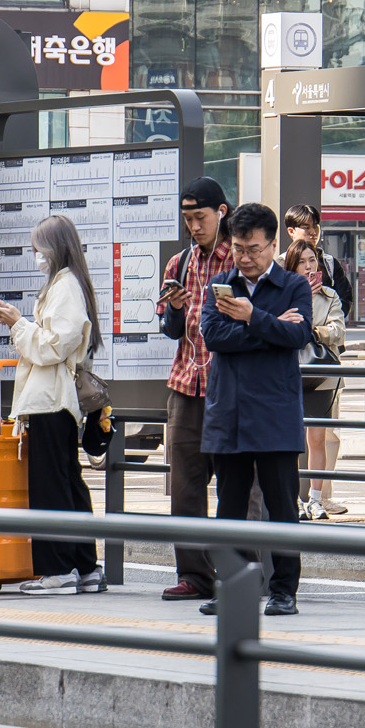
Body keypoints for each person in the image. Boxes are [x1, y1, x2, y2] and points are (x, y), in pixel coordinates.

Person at [0, 215, 105, 595]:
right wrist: (17, 321)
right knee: (67, 481)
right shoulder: (68, 283)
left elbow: (53, 345)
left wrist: (18, 322)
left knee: (51, 485)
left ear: (55, 248)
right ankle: (84, 567)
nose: (36, 256)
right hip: (57, 400)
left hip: (51, 399)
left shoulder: (65, 286)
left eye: (39, 249)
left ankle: (59, 569)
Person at [199, 202, 311, 617]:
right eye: (238, 248)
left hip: (274, 412)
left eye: (254, 249)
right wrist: (265, 325)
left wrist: (251, 317)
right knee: (228, 507)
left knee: (281, 505)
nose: (244, 257)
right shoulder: (220, 285)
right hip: (228, 412)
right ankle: (232, 586)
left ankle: (284, 590)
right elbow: (213, 335)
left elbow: (297, 334)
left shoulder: (293, 285)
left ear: (272, 244)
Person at [156, 177, 235, 602]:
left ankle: (239, 574)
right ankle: (194, 575)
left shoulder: (240, 259)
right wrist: (174, 308)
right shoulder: (179, 264)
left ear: (220, 212)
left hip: (230, 388)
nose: (194, 227)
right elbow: (168, 330)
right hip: (186, 384)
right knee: (185, 487)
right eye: (187, 219)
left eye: (199, 217)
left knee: (238, 485)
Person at [284, 205, 350, 516]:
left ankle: (316, 499)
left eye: (314, 260)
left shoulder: (330, 294)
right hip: (287, 371)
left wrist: (314, 327)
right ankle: (293, 498)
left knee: (319, 437)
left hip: (321, 371)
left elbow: (338, 329)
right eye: (304, 262)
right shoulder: (280, 290)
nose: (311, 266)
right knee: (289, 436)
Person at [284, 204, 354, 316]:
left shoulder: (330, 263)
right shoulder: (281, 263)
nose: (313, 232)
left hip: (325, 329)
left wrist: (331, 317)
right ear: (291, 231)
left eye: (316, 226)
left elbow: (346, 297)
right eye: (306, 227)